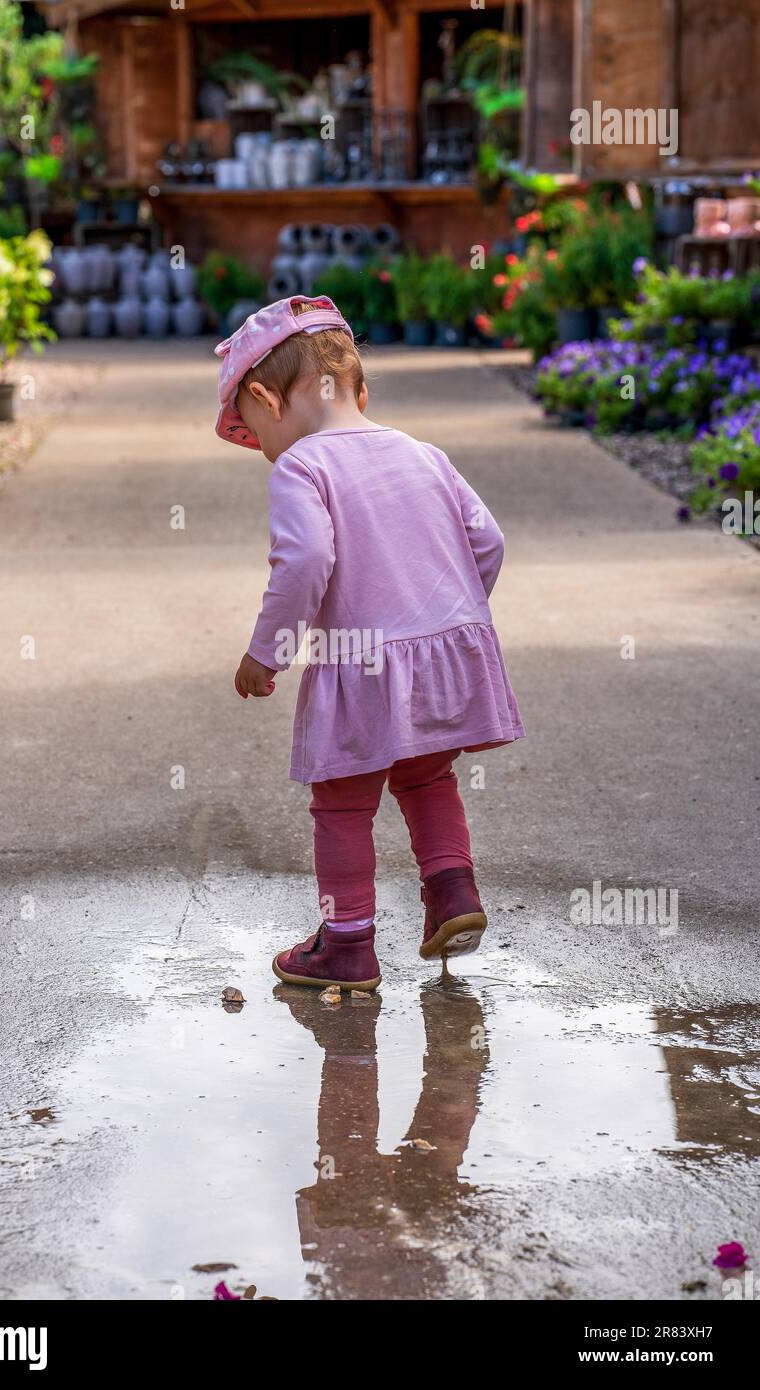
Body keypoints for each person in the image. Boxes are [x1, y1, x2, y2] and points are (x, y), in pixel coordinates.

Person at [216, 295, 524, 991]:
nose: (261, 447)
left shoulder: (301, 467)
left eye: (252, 428)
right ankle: (452, 897)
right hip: (443, 652)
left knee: (342, 803)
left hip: (360, 665)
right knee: (427, 778)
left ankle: (347, 944)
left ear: (265, 398)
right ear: (361, 387)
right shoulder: (423, 454)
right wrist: (443, 620)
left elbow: (303, 565)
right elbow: (487, 542)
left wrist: (267, 653)